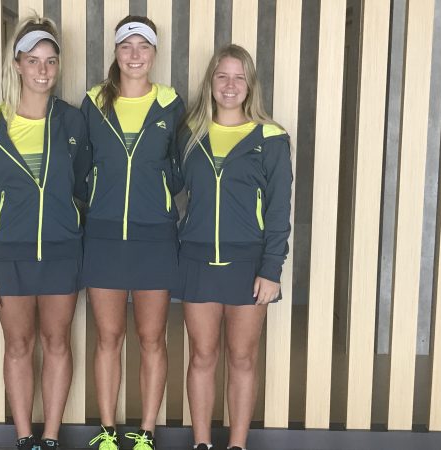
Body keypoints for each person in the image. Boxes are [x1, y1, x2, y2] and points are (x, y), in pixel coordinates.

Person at [0, 16, 91, 450]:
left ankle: (51, 437)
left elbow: (84, 187)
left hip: (62, 252)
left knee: (57, 342)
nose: (43, 69)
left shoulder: (72, 122)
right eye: (33, 60)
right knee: (18, 345)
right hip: (9, 255)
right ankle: (24, 438)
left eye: (50, 61)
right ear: (17, 64)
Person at [175, 44, 293, 450]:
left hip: (249, 265)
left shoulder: (271, 138)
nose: (230, 85)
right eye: (222, 76)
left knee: (242, 358)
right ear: (210, 82)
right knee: (202, 356)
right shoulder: (190, 134)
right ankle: (202, 443)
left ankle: (237, 444)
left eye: (239, 77)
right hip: (196, 260)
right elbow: (166, 187)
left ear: (250, 85)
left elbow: (278, 210)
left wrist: (271, 269)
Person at [80, 15, 185, 450]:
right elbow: (80, 165)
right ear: (116, 53)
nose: (135, 55)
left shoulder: (171, 105)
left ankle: (146, 432)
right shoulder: (93, 103)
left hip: (154, 238)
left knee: (152, 338)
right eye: (127, 46)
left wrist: (156, 189)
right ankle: (107, 431)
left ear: (155, 54)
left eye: (143, 46)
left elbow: (180, 169)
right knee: (108, 338)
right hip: (103, 237)